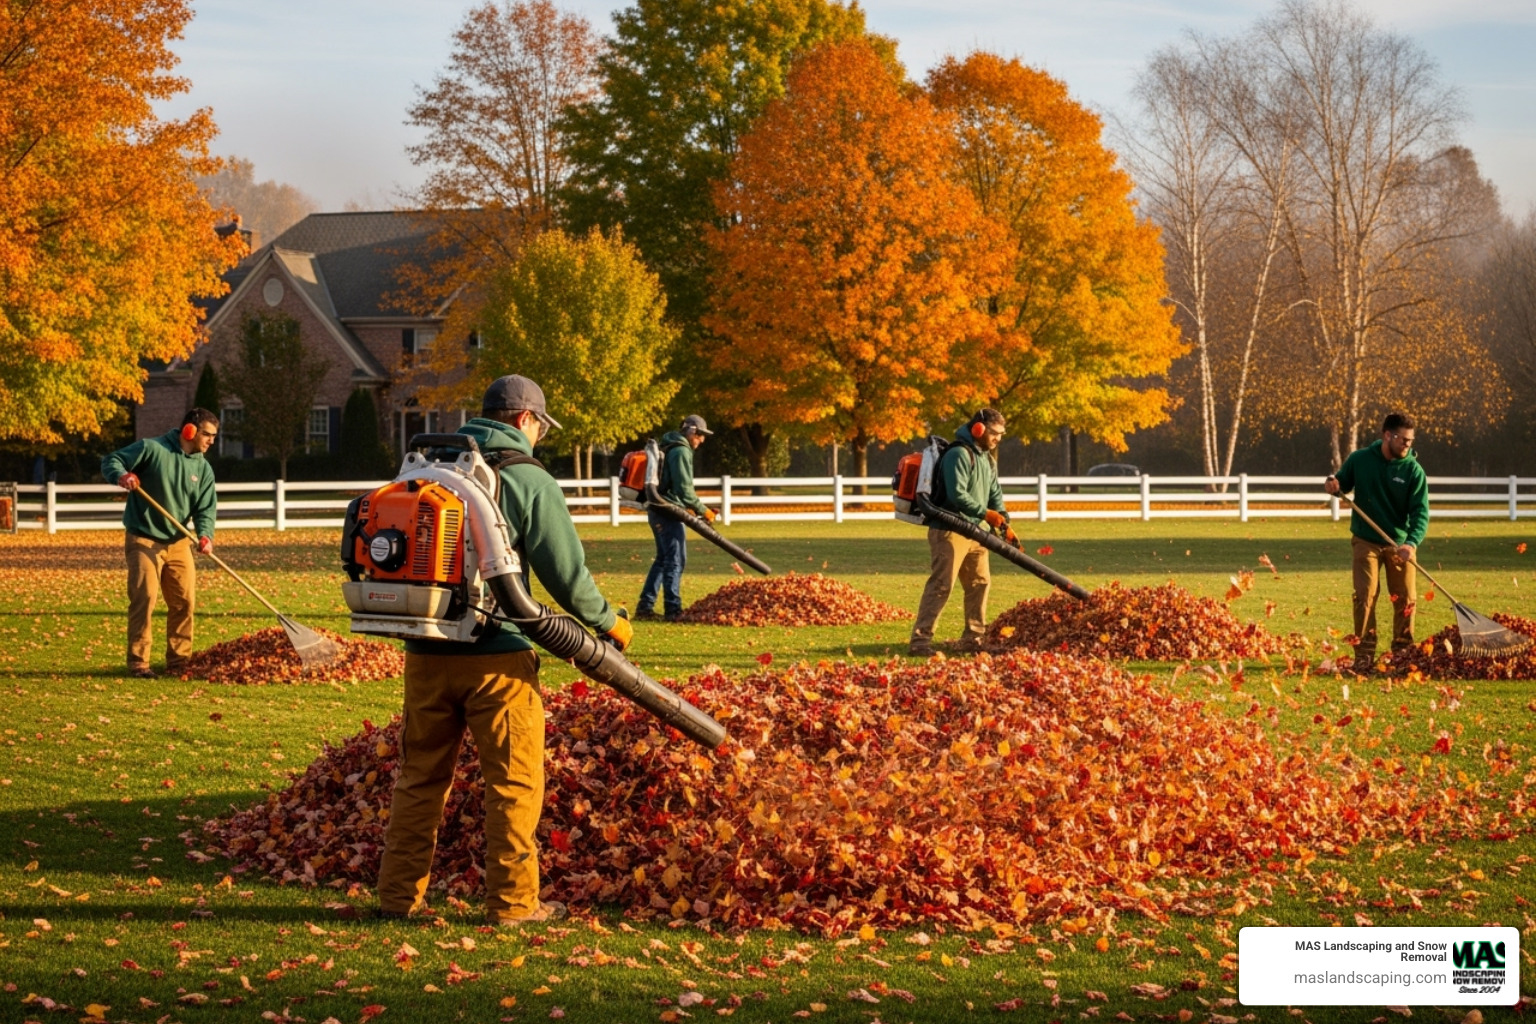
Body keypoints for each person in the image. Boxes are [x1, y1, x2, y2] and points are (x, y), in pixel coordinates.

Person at [376, 374, 632, 926]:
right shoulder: (526, 478)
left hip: (426, 651)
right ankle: (514, 904)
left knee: (419, 778)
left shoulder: (428, 466)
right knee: (513, 784)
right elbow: (567, 576)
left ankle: (398, 897)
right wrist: (611, 624)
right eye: (540, 424)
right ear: (523, 419)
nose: (539, 435)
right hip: (499, 655)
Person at [101, 409, 220, 679]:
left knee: (184, 602)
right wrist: (122, 475)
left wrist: (204, 535)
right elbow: (112, 460)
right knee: (145, 598)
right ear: (189, 430)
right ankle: (139, 663)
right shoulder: (152, 449)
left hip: (178, 543)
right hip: (143, 536)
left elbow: (205, 508)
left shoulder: (202, 468)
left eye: (214, 436)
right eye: (207, 435)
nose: (211, 441)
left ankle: (179, 663)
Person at [1324, 412, 1429, 674]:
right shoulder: (1360, 460)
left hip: (1399, 544)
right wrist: (1333, 485)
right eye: (1403, 440)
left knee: (1405, 598)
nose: (1407, 445)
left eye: (1410, 440)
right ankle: (1364, 654)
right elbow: (1341, 485)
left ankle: (1403, 653)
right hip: (1365, 540)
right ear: (1387, 436)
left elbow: (1420, 514)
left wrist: (1411, 543)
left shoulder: (1414, 472)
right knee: (1365, 596)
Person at [909, 409, 1013, 657]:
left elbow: (995, 494)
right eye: (995, 433)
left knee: (979, 583)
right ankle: (920, 642)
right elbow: (958, 496)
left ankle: (973, 639)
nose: (998, 439)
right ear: (978, 429)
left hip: (976, 532)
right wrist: (987, 514)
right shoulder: (958, 454)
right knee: (941, 585)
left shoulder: (988, 460)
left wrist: (1002, 518)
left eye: (1001, 434)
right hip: (949, 530)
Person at [637, 414, 716, 621]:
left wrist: (691, 508)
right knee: (675, 560)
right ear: (691, 432)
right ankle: (673, 610)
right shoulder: (680, 450)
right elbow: (684, 489)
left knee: (664, 559)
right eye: (700, 435)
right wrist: (702, 510)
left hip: (659, 508)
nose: (702, 440)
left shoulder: (668, 445)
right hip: (667, 511)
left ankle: (645, 607)